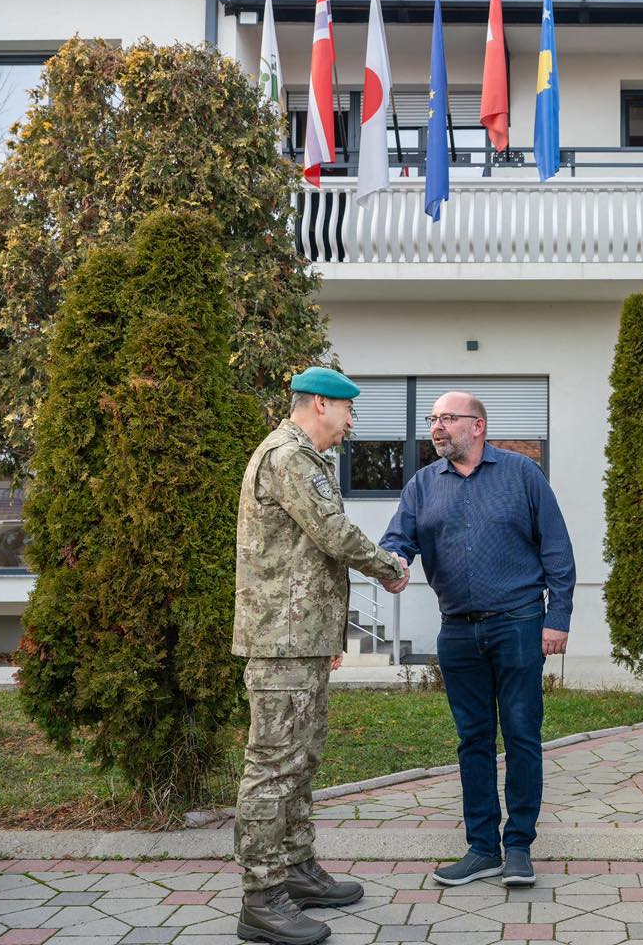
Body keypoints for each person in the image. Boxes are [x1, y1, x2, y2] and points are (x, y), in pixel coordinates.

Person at [233, 367, 410, 945]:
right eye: (346, 412)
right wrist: (389, 567)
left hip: (301, 636)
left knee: (301, 759)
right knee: (273, 766)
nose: (351, 424)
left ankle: (296, 870)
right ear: (318, 406)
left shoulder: (305, 457)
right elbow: (333, 533)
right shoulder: (289, 457)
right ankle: (261, 898)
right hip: (281, 640)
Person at [380, 391, 576, 889]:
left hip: (519, 624)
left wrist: (558, 619)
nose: (436, 427)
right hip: (457, 631)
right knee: (473, 741)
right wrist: (394, 564)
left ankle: (519, 847)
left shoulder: (522, 474)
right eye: (432, 419)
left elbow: (556, 547)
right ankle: (482, 847)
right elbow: (396, 540)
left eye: (447, 418)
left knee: (522, 735)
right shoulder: (423, 485)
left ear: (478, 426)